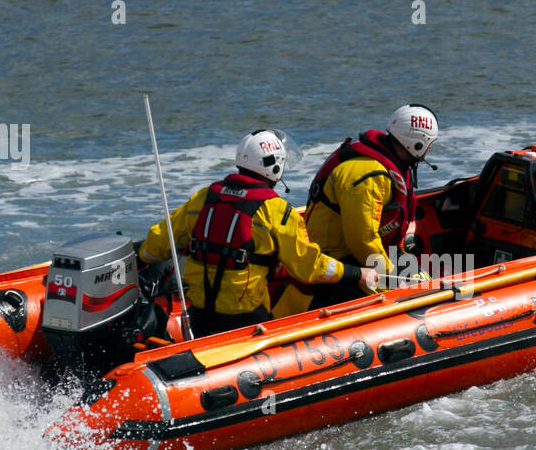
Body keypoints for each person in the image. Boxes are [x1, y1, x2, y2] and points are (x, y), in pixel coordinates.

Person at [138, 129, 378, 337]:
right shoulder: (276, 210)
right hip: (245, 318)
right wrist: (356, 273)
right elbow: (309, 267)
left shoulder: (204, 198)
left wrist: (141, 260)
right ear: (274, 165)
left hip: (200, 314)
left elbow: (159, 240)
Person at [274, 104, 438, 317]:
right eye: (429, 144)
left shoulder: (381, 162)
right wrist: (395, 278)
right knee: (417, 290)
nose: (430, 149)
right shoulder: (369, 176)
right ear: (417, 144)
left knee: (423, 279)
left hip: (357, 253)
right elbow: (362, 240)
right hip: (342, 261)